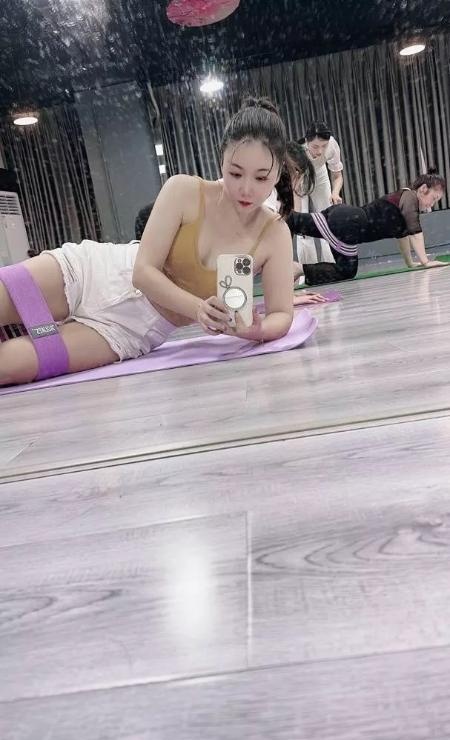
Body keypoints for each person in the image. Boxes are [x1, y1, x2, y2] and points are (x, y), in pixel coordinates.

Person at [0, 97, 304, 386]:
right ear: (221, 158)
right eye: (235, 173)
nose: (246, 189)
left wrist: (255, 330)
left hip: (130, 330)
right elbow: (143, 273)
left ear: (279, 172)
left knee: (8, 367)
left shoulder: (274, 234)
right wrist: (198, 308)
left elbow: (281, 314)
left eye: (261, 178)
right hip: (92, 271)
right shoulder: (184, 190)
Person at [286, 168, 447, 286]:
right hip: (348, 225)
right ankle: (298, 268)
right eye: (433, 198)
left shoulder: (405, 202)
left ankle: (282, 217)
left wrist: (410, 262)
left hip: (346, 220)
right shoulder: (410, 198)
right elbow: (415, 231)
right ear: (423, 189)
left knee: (296, 221)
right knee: (346, 271)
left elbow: (403, 235)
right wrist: (425, 261)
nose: (432, 204)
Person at [296, 121, 345, 264]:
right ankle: (306, 270)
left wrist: (335, 193)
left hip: (320, 174)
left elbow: (337, 176)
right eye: (315, 146)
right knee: (302, 224)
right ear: (307, 141)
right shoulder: (297, 151)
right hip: (300, 178)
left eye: (324, 146)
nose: (320, 151)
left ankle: (331, 265)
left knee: (327, 220)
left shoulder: (332, 145)